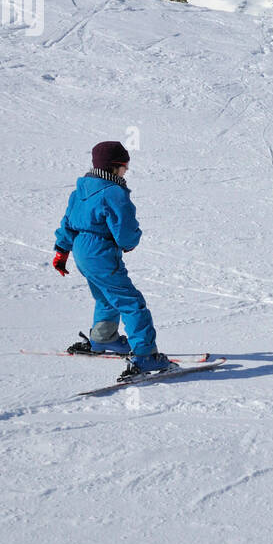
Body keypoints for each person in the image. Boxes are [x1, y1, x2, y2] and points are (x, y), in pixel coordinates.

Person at [52, 141, 172, 380]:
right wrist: (129, 243)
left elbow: (67, 222)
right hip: (101, 252)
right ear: (114, 167)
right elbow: (125, 229)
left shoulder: (79, 191)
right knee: (131, 302)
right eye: (124, 167)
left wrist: (61, 251)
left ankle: (103, 337)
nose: (126, 171)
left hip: (81, 252)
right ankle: (146, 355)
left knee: (106, 295)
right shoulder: (114, 192)